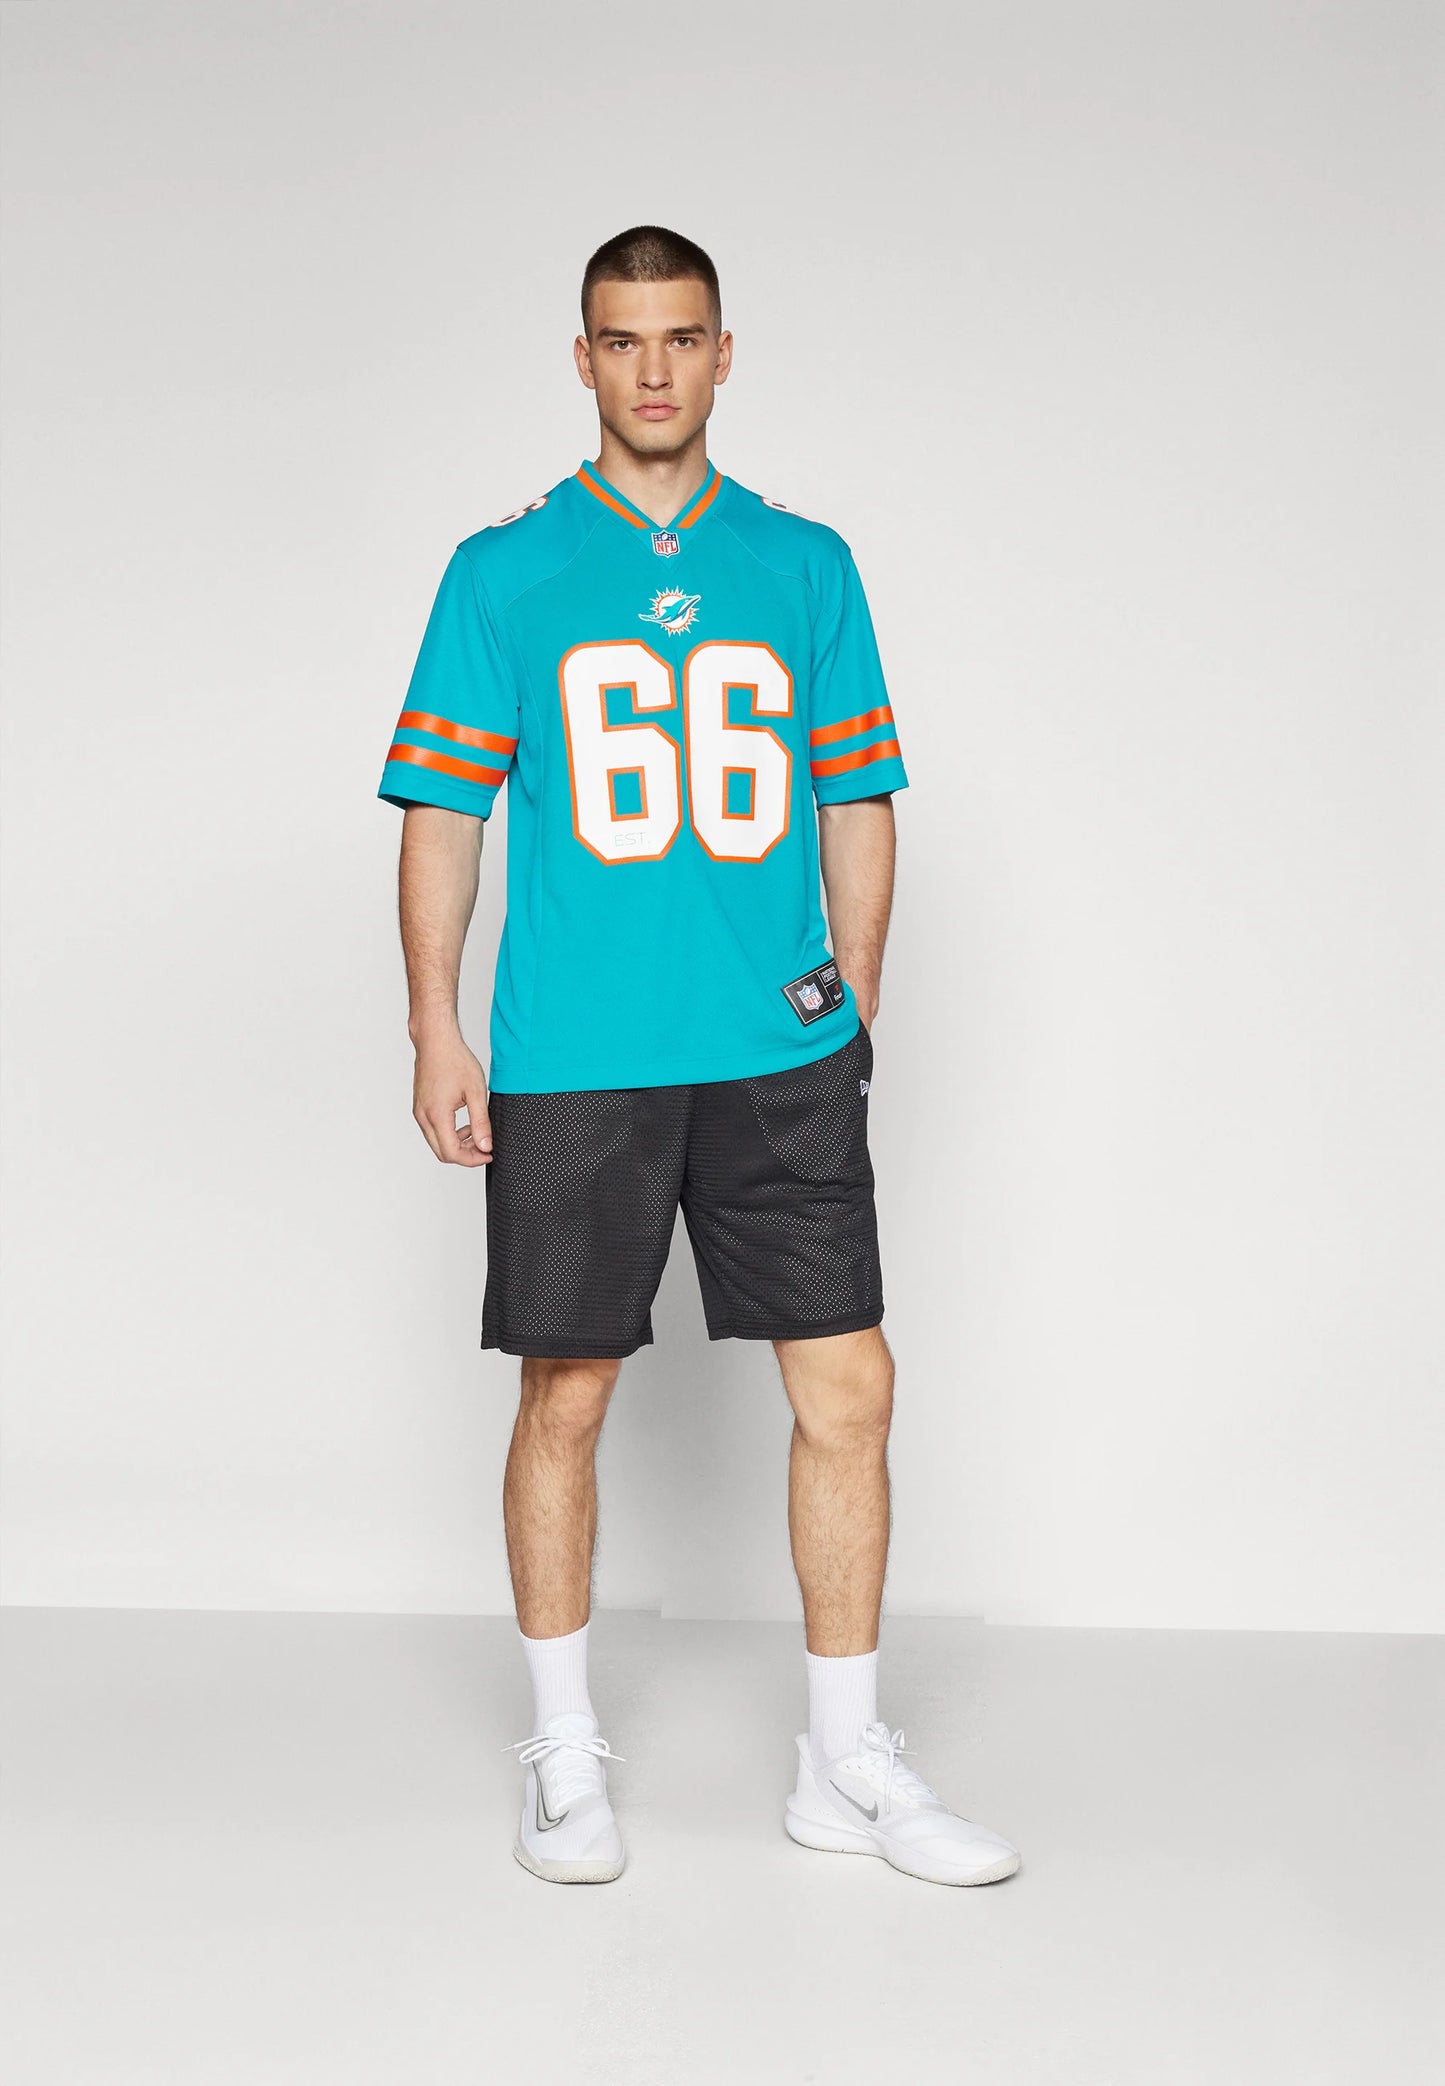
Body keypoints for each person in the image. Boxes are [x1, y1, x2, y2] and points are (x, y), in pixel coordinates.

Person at [378, 226, 1020, 1889]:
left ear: (724, 353)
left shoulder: (803, 562)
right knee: (566, 1392)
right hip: (573, 1059)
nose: (652, 369)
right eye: (622, 339)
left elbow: (856, 794)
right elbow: (444, 812)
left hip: (769, 1057)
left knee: (850, 1387)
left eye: (680, 338)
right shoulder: (503, 571)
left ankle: (842, 1760)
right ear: (580, 358)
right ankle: (562, 1748)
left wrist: (849, 996)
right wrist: (436, 1018)